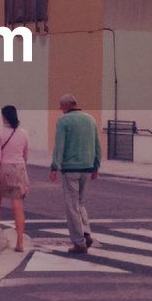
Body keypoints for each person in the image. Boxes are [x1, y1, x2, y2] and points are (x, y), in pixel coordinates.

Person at [48, 93, 101, 255]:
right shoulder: (90, 119)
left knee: (71, 206)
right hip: (87, 167)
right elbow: (97, 144)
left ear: (65, 107)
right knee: (80, 203)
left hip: (70, 169)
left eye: (61, 106)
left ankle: (79, 242)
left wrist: (54, 167)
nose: (60, 109)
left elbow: (59, 145)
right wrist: (96, 166)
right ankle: (86, 232)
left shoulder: (64, 121)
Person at [0, 105, 30, 253]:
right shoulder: (24, 133)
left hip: (3, 169)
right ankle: (20, 242)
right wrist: (21, 168)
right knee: (18, 205)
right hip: (20, 168)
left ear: (4, 116)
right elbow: (25, 154)